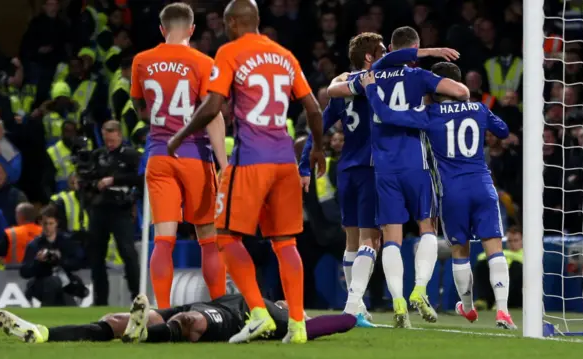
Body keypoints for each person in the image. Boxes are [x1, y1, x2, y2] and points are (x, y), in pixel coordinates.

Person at [167, 0, 326, 344]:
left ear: (235, 23)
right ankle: (298, 324)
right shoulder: (285, 55)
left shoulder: (230, 51)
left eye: (226, 23)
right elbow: (314, 107)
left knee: (225, 236)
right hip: (285, 160)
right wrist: (317, 148)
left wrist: (180, 135)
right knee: (285, 244)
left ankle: (258, 314)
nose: (224, 29)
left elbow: (212, 105)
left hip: (252, 160)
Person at [327, 26, 466, 328]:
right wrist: (429, 107)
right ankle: (419, 289)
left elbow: (333, 91)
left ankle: (395, 301)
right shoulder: (418, 78)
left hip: (382, 168)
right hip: (415, 163)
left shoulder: (371, 77)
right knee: (427, 227)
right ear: (414, 50)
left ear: (392, 48)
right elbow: (461, 92)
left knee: (386, 237)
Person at [361, 61, 516, 329]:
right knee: (494, 248)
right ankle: (503, 311)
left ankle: (467, 308)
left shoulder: (430, 114)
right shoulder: (479, 108)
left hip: (452, 190)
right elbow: (502, 130)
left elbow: (386, 115)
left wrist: (372, 88)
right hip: (483, 185)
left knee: (460, 249)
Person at [130, 2, 228, 309]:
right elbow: (213, 115)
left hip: (159, 156)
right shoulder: (202, 61)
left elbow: (140, 108)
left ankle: (161, 312)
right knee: (208, 240)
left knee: (163, 240)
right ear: (192, 29)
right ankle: (221, 308)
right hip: (195, 156)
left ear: (161, 29)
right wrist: (224, 165)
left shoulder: (141, 61)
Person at [298, 32, 385, 327]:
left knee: (352, 241)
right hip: (371, 167)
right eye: (382, 50)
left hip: (346, 169)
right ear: (370, 57)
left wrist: (305, 166)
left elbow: (318, 129)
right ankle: (352, 307)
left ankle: (356, 304)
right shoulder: (373, 82)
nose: (386, 54)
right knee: (371, 239)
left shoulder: (341, 88)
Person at [0, 293, 356, 344]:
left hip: (231, 319)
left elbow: (339, 322)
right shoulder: (267, 297)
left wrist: (352, 315)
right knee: (114, 318)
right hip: (211, 300)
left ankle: (144, 335)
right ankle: (43, 333)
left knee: (190, 321)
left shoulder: (290, 321)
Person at [87, 120, 141, 305]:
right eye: (105, 139)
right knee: (96, 254)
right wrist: (94, 184)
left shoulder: (131, 155)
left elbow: (140, 178)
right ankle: (99, 300)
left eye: (111, 138)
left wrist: (114, 180)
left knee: (127, 252)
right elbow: (88, 178)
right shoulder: (98, 155)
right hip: (100, 208)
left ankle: (137, 296)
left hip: (121, 209)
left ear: (119, 135)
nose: (108, 142)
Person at [19, 206, 85, 306]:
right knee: (52, 282)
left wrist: (61, 260)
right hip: (41, 283)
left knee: (64, 292)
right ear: (41, 223)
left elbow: (79, 262)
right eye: (45, 223)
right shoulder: (34, 245)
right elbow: (24, 271)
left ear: (56, 224)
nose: (47, 227)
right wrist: (37, 261)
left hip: (64, 282)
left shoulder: (66, 242)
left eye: (51, 223)